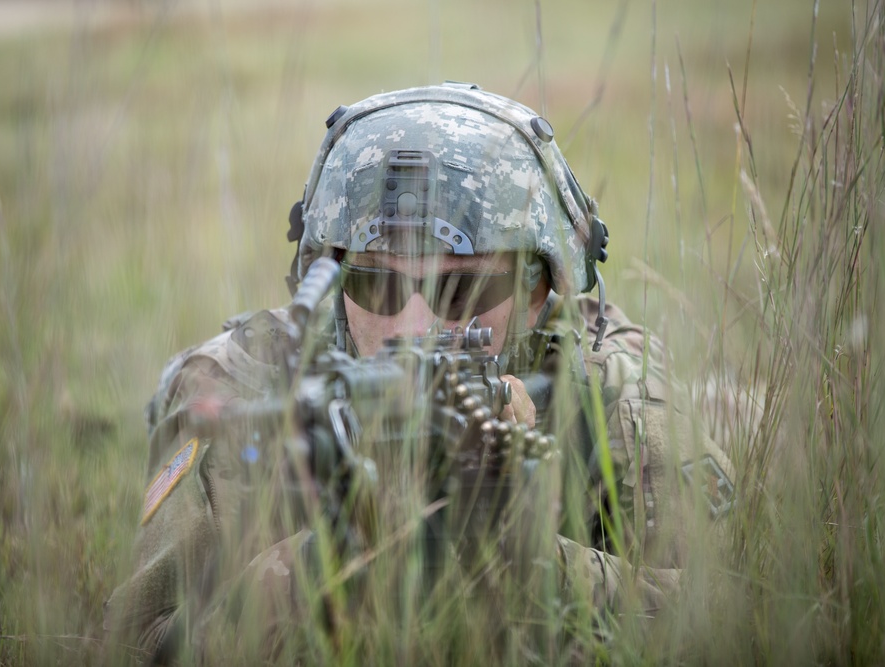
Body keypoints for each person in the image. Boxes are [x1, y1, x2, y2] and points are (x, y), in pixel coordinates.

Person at [105, 82, 736, 663]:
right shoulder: (241, 383)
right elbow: (140, 644)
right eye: (375, 286)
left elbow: (725, 613)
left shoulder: (605, 382)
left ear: (546, 289)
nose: (414, 325)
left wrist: (516, 549)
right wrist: (338, 550)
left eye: (464, 291)